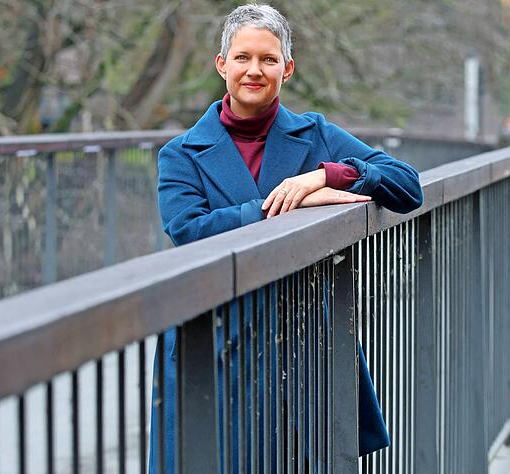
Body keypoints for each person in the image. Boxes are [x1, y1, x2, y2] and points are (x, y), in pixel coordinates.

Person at [151, 4, 423, 472]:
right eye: (242, 58)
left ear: (287, 68)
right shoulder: (180, 154)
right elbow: (189, 231)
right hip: (215, 341)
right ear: (222, 65)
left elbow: (407, 186)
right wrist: (279, 208)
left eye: (268, 59)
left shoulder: (314, 134)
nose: (254, 70)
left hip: (298, 344)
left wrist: (330, 175)